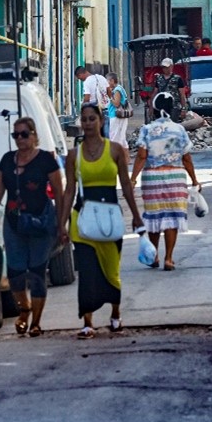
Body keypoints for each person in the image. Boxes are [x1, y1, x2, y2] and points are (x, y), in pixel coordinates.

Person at [58, 104, 143, 338]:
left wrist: (136, 215)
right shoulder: (74, 156)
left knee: (111, 268)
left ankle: (115, 314)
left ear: (101, 121)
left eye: (92, 118)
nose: (87, 123)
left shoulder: (115, 150)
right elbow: (69, 192)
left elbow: (125, 185)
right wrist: (62, 224)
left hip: (110, 218)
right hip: (83, 218)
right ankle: (87, 321)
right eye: (84, 119)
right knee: (87, 270)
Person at [0, 117, 63, 336]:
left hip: (41, 223)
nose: (19, 139)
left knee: (36, 273)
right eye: (15, 135)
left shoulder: (45, 160)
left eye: (24, 134)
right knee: (15, 273)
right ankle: (24, 311)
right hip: (14, 223)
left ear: (34, 135)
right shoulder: (7, 160)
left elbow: (59, 192)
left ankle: (36, 322)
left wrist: (61, 224)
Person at [131, 94, 201, 271]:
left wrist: (132, 178)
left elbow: (141, 155)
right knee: (172, 218)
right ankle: (169, 258)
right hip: (176, 178)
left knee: (155, 217)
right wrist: (194, 180)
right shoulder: (179, 130)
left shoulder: (147, 130)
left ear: (154, 109)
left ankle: (154, 256)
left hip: (152, 179)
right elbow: (186, 158)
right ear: (171, 109)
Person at [151, 57, 186, 121]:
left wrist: (183, 108)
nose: (165, 69)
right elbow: (155, 92)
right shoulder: (159, 79)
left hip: (174, 107)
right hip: (161, 107)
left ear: (171, 66)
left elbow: (182, 95)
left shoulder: (178, 79)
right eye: (163, 67)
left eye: (167, 67)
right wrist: (152, 107)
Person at [106, 72, 132, 149]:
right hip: (118, 116)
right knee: (121, 138)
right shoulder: (120, 88)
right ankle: (124, 157)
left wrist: (110, 95)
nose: (106, 83)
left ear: (112, 81)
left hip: (116, 116)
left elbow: (116, 104)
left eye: (107, 81)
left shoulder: (117, 90)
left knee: (114, 137)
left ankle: (115, 156)